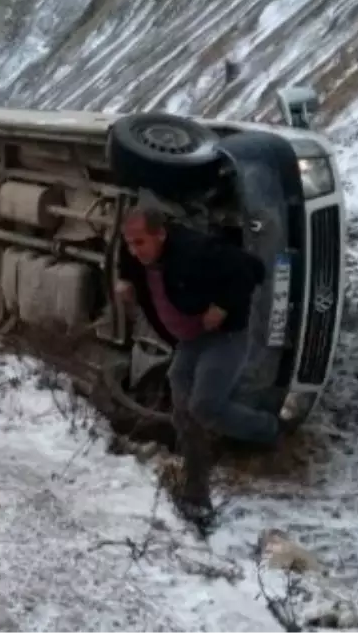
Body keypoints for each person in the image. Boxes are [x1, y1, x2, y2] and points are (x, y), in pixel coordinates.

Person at [114, 206, 276, 519]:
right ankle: (196, 491)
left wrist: (223, 306)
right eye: (129, 243)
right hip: (190, 340)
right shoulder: (135, 253)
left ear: (161, 234)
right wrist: (124, 280)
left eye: (140, 243)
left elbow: (251, 268)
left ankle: (268, 430)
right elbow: (127, 258)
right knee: (183, 407)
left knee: (204, 405)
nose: (134, 251)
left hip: (224, 337)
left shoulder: (195, 251)